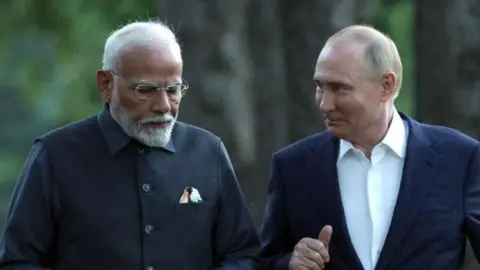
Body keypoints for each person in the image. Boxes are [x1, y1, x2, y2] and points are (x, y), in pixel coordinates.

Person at [0, 20, 260, 270]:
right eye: (145, 90)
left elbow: (244, 255)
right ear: (106, 83)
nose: (163, 106)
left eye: (173, 89)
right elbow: (17, 261)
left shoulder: (207, 152)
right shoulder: (55, 156)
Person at [259, 24, 480, 270]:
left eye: (339, 88)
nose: (325, 104)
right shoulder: (292, 167)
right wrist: (289, 263)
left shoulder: (460, 158)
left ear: (386, 85)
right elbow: (264, 261)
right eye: (320, 86)